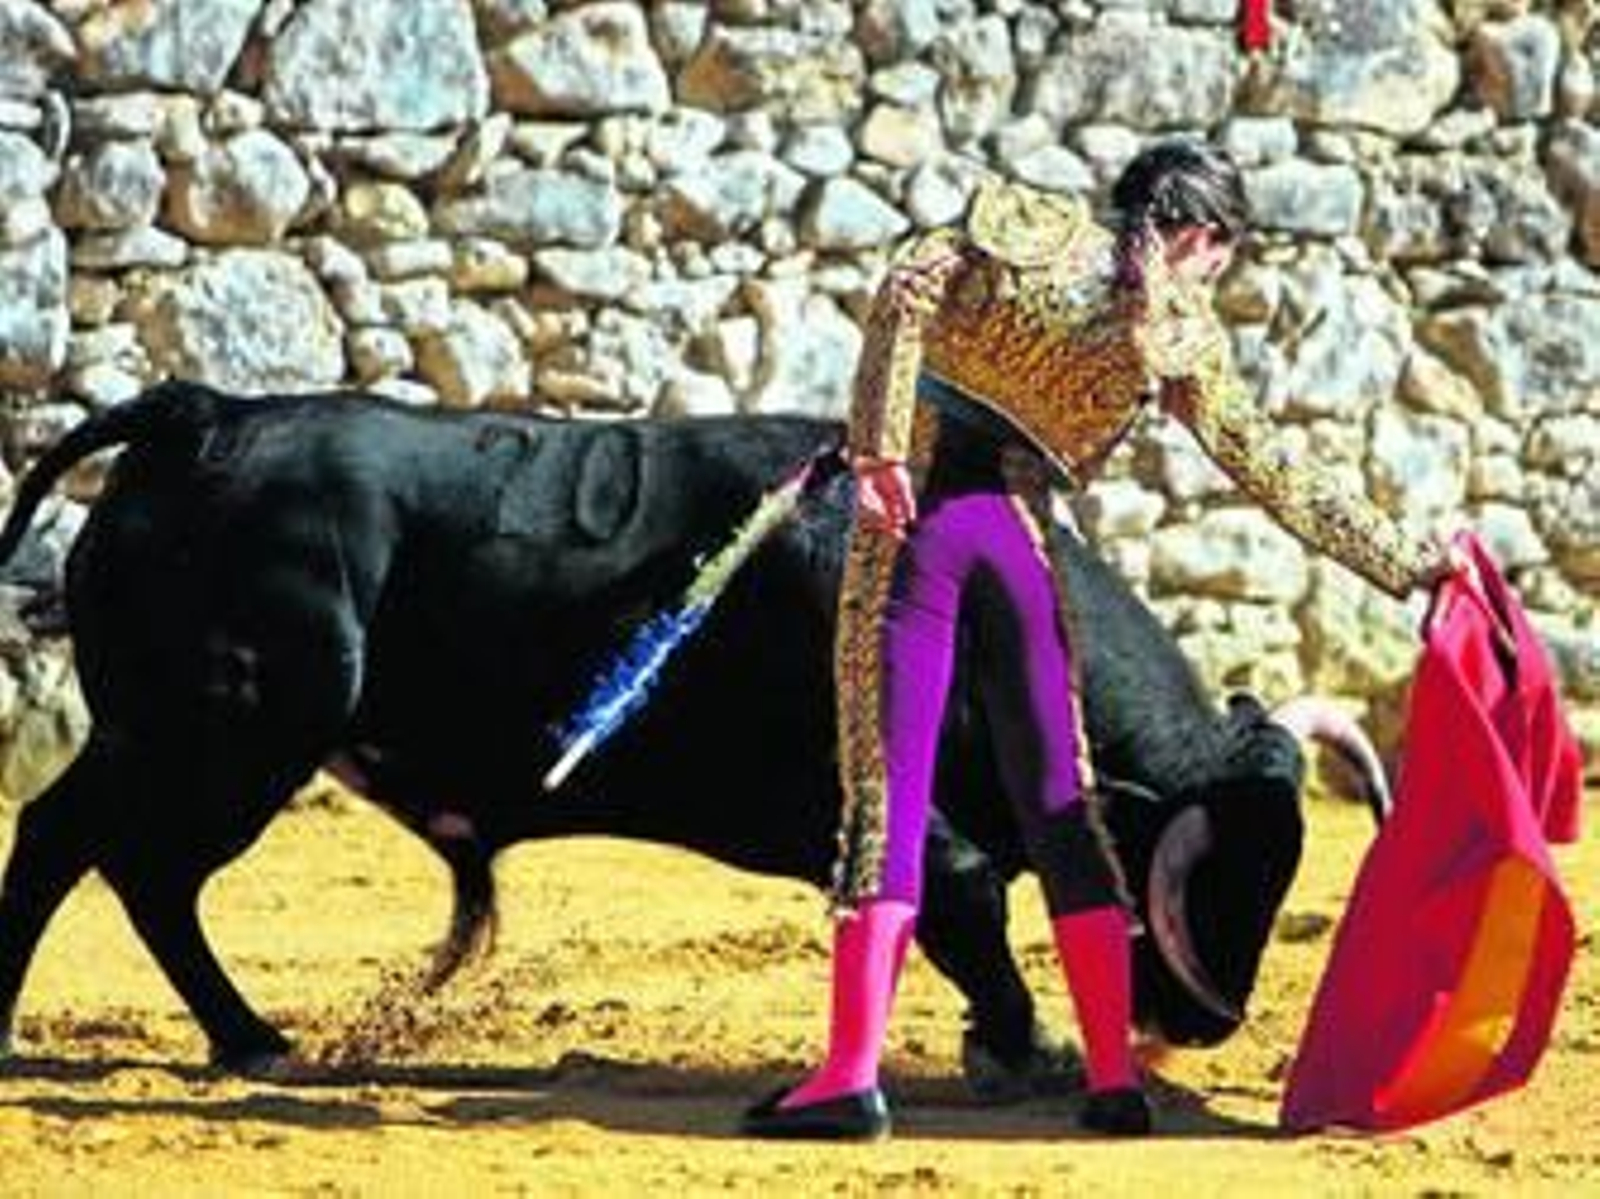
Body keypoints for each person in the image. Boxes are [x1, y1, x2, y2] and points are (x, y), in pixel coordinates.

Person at [740, 139, 1461, 1141]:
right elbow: (1275, 472)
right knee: (1059, 799)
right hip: (1019, 539)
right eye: (1221, 255)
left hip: (918, 531)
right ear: (1202, 235)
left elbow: (908, 285)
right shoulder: (1176, 332)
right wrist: (1406, 566)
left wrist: (875, 449)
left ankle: (850, 1074)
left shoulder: (1035, 237)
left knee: (887, 795)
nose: (1214, 274)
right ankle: (1113, 1079)